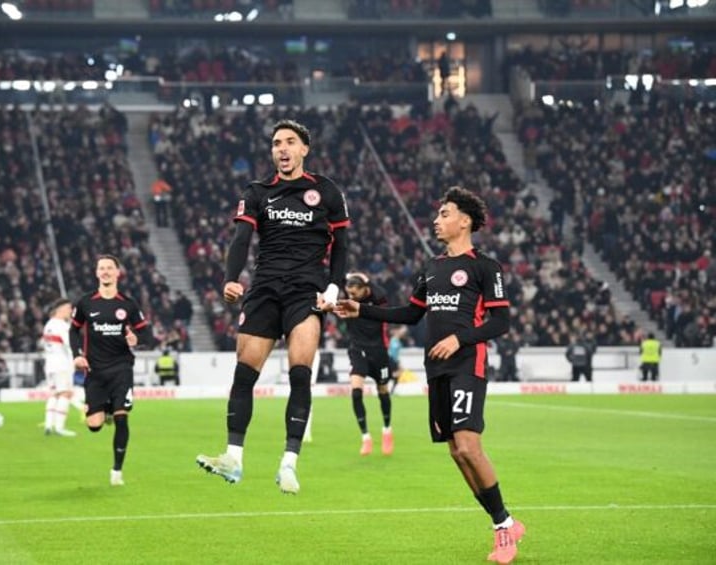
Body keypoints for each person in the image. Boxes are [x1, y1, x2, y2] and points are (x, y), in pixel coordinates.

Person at [337, 187, 524, 564]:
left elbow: (501, 321)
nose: (436, 220)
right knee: (457, 452)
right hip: (435, 367)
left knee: (470, 446)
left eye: (444, 214)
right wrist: (362, 310)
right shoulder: (432, 267)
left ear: (464, 221)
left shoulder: (485, 267)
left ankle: (504, 529)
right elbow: (410, 313)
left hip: (466, 364)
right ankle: (502, 520)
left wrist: (460, 338)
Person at [196, 119, 350, 495]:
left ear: (304, 149)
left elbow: (342, 246)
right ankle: (233, 458)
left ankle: (289, 463)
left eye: (290, 142)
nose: (281, 148)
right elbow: (241, 238)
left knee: (300, 371)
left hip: (306, 292)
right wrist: (232, 278)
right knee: (244, 374)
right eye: (276, 143)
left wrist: (334, 287)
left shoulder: (326, 191)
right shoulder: (258, 191)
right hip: (264, 289)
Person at [69, 254, 157, 486]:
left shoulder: (128, 304)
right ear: (97, 273)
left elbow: (147, 335)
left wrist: (136, 338)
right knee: (94, 426)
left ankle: (117, 471)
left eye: (110, 268)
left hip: (121, 368)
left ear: (118, 273)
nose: (106, 272)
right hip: (95, 371)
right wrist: (77, 355)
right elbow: (73, 331)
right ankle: (105, 408)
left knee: (121, 418)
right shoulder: (85, 303)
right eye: (102, 268)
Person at [343, 271, 394, 456]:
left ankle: (387, 430)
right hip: (358, 349)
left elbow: (380, 292)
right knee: (356, 392)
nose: (351, 297)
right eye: (349, 293)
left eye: (355, 293)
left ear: (365, 289)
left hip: (379, 351)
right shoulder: (347, 301)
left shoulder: (378, 299)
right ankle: (365, 437)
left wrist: (366, 279)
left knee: (383, 391)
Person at [42, 298, 78, 437]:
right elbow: (70, 344)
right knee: (65, 394)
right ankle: (59, 427)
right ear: (61, 309)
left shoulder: (49, 324)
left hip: (50, 364)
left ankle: (48, 424)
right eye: (69, 308)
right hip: (62, 364)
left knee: (54, 394)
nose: (70, 311)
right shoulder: (62, 325)